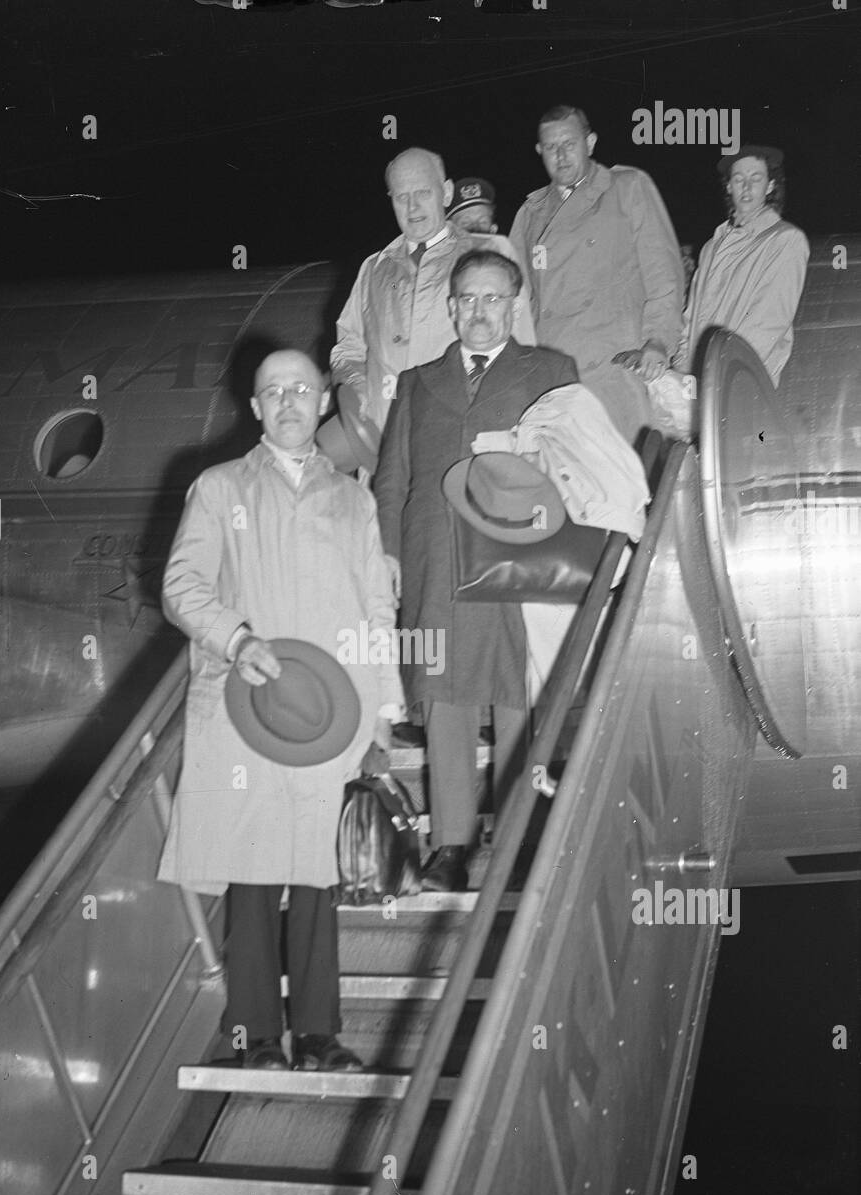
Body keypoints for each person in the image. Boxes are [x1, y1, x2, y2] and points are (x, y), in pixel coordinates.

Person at [157, 350, 403, 1071]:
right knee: (254, 869)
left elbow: (376, 608)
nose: (289, 401)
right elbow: (181, 586)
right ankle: (257, 1038)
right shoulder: (217, 487)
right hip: (247, 704)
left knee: (321, 872)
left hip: (332, 709)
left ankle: (320, 1036)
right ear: (256, 408)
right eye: (274, 392)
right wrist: (236, 640)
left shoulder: (355, 500)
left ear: (325, 401)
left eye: (301, 388)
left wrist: (385, 706)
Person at [373, 248, 578, 894]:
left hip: (517, 556)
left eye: (493, 298)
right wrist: (388, 556)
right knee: (445, 701)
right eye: (468, 299)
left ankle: (520, 839)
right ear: (452, 306)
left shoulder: (552, 372)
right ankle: (451, 847)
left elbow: (575, 467)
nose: (480, 311)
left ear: (513, 305)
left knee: (519, 697)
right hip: (435, 561)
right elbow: (390, 481)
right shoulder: (416, 382)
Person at [330, 147, 535, 449]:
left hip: (464, 442)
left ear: (447, 193)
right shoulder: (374, 269)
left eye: (423, 192)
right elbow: (348, 348)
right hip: (386, 444)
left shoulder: (490, 252)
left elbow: (524, 353)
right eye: (401, 197)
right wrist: (356, 385)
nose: (413, 208)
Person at [509, 104, 684, 446]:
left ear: (590, 142)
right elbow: (518, 302)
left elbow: (663, 274)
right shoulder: (530, 214)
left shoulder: (627, 187)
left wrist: (659, 340)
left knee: (627, 485)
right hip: (555, 380)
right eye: (550, 147)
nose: (560, 155)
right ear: (539, 151)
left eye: (569, 144)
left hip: (617, 370)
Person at [671, 145, 809, 387]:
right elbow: (690, 320)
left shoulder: (785, 240)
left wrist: (720, 375)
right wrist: (683, 370)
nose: (746, 187)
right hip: (700, 383)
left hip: (740, 383)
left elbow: (768, 322)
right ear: (728, 186)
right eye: (738, 179)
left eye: (756, 178)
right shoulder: (711, 247)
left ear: (770, 186)